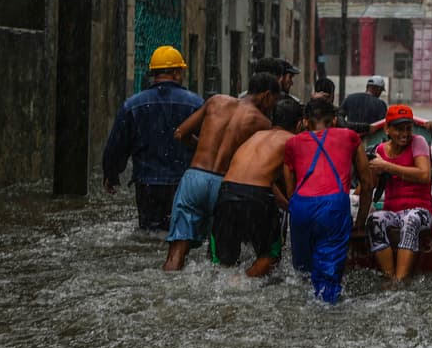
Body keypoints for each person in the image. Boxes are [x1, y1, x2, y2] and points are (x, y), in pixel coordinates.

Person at [163, 72, 281, 270]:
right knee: (219, 258)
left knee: (177, 251)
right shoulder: (263, 124)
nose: (271, 108)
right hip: (226, 186)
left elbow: (180, 133)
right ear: (266, 95)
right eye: (273, 102)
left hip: (195, 178)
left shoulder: (216, 101)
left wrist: (204, 147)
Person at [101, 45, 204, 231]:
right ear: (177, 73)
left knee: (149, 235)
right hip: (183, 184)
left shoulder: (132, 105)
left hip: (147, 185)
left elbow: (117, 145)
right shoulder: (196, 104)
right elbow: (208, 145)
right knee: (180, 237)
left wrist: (111, 174)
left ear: (153, 74)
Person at [283, 98, 373, 303]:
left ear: (305, 122)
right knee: (327, 281)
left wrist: (298, 208)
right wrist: (359, 222)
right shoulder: (350, 137)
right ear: (333, 120)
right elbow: (367, 183)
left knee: (302, 274)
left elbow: (290, 188)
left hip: (300, 206)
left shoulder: (292, 143)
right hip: (333, 207)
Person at [212, 98, 303, 278]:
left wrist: (286, 205)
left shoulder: (255, 136)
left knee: (224, 260)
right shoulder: (294, 141)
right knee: (270, 255)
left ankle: (226, 285)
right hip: (257, 197)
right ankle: (241, 282)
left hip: (226, 192)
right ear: (299, 124)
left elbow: (260, 179)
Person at [365, 104, 432, 282]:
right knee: (374, 220)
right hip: (393, 212)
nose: (404, 134)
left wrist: (387, 166)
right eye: (398, 129)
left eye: (408, 128)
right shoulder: (380, 151)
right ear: (387, 129)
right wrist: (374, 171)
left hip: (420, 211)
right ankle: (390, 279)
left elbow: (423, 175)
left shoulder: (418, 142)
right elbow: (371, 186)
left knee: (410, 220)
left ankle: (400, 281)